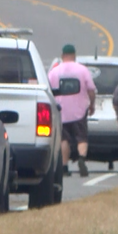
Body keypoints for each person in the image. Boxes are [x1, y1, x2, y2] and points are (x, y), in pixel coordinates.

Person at [47, 44, 97, 177]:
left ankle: (64, 166)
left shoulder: (54, 72)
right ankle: (81, 158)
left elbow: (48, 91)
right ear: (74, 55)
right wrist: (92, 105)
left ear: (62, 56)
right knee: (81, 138)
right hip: (79, 111)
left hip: (61, 112)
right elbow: (91, 90)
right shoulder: (82, 70)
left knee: (64, 139)